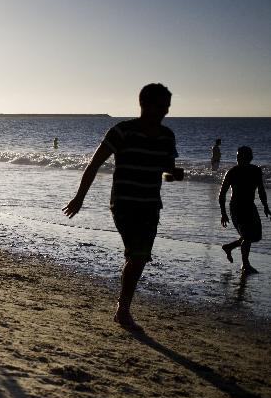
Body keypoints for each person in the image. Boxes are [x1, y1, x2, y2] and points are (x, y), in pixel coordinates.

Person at [63, 83, 183, 331]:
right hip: (124, 203)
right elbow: (94, 164)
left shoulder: (167, 136)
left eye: (167, 106)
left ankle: (123, 307)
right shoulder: (122, 131)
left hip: (151, 205)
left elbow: (166, 172)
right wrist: (79, 198)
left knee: (138, 257)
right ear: (145, 105)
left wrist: (175, 175)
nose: (165, 111)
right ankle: (123, 310)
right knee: (138, 255)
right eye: (161, 106)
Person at [219, 146, 270, 274]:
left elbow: (261, 190)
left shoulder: (256, 171)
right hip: (236, 207)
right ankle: (245, 264)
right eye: (237, 156)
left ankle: (229, 247)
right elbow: (222, 194)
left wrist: (266, 207)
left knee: (255, 235)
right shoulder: (232, 172)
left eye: (241, 156)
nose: (238, 158)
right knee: (247, 236)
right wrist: (223, 213)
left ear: (249, 158)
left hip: (250, 206)